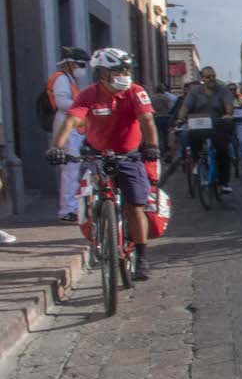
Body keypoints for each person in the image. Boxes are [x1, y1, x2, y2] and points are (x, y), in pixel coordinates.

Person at [47, 48, 159, 280]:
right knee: (94, 190)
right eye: (117, 71)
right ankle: (100, 224)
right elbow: (71, 121)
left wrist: (152, 146)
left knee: (135, 207)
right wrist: (57, 147)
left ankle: (142, 257)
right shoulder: (88, 94)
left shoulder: (135, 92)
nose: (123, 75)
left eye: (126, 70)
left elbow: (147, 120)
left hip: (128, 155)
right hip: (98, 154)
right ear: (102, 74)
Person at [46, 47, 91, 222]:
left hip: (72, 127)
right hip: (66, 126)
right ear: (70, 63)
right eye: (80, 64)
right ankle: (67, 210)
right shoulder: (61, 79)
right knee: (70, 169)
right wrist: (85, 106)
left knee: (73, 168)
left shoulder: (68, 79)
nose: (82, 68)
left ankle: (72, 206)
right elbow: (62, 102)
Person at [178, 66, 235, 195]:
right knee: (189, 138)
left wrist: (228, 114)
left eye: (213, 76)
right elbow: (186, 106)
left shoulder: (223, 90)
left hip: (218, 124)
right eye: (208, 77)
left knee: (223, 150)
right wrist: (180, 118)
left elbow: (229, 105)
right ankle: (196, 162)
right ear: (202, 78)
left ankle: (224, 183)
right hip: (198, 124)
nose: (211, 79)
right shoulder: (195, 91)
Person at [149, 84, 178, 162]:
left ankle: (160, 150)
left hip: (156, 117)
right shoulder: (166, 98)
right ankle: (166, 150)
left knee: (159, 134)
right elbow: (170, 108)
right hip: (166, 117)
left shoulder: (152, 98)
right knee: (166, 135)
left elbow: (150, 108)